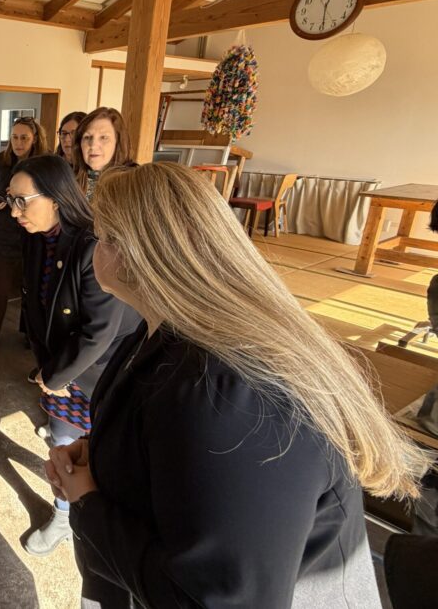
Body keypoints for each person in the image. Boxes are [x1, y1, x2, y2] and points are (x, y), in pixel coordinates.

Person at [46, 162, 432, 608]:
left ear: (145, 253)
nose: (94, 248)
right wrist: (102, 452)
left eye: (105, 236)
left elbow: (216, 598)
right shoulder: (158, 330)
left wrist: (89, 503)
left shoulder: (232, 395)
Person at [7, 156, 140, 557]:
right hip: (60, 371)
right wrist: (48, 369)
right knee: (63, 446)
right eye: (10, 200)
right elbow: (37, 307)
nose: (14, 212)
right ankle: (65, 517)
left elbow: (100, 331)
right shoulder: (36, 237)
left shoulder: (95, 246)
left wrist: (57, 376)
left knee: (103, 457)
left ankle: (103, 528)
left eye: (21, 201)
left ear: (56, 197)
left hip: (101, 375)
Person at [0, 116, 49, 352]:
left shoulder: (44, 164)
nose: (18, 142)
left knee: (32, 289)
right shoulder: (1, 160)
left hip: (36, 236)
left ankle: (30, 335)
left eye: (24, 138)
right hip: (4, 235)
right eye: (15, 137)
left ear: (35, 138)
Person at [70, 107, 130, 203]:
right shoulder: (71, 180)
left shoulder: (130, 184)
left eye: (103, 137)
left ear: (118, 142)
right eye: (87, 137)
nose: (93, 145)